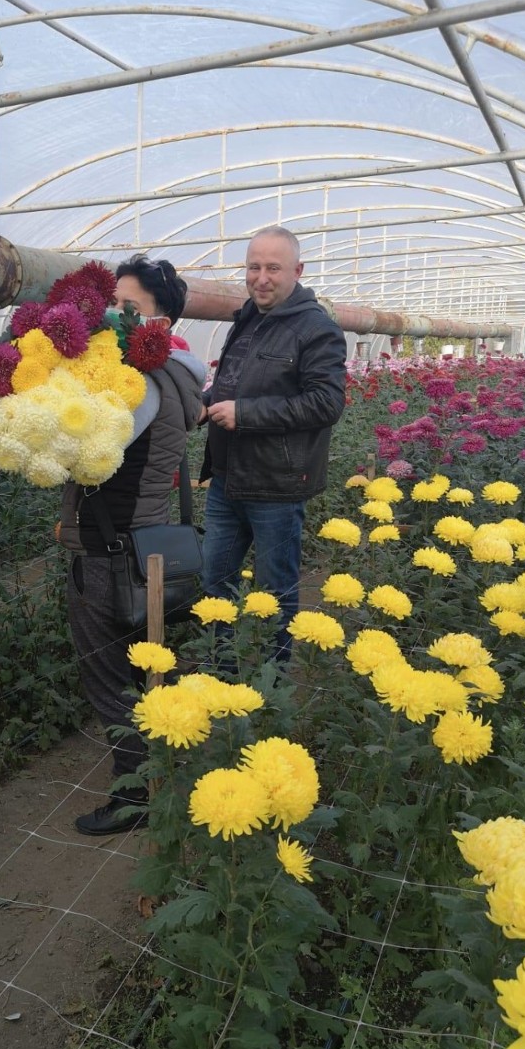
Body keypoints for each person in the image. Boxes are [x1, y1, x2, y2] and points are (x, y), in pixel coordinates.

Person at [58, 256, 206, 836]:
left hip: (109, 550)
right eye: (109, 305)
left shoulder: (138, 384)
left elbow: (90, 449)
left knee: (107, 673)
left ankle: (132, 797)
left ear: (161, 321)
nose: (112, 318)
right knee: (142, 668)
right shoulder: (177, 376)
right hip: (145, 544)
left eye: (129, 308)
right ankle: (158, 773)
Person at [199, 226, 347, 658]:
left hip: (277, 487)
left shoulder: (316, 329)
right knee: (215, 583)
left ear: (297, 271)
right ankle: (224, 670)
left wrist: (245, 415)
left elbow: (326, 403)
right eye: (253, 266)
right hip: (226, 482)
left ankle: (270, 685)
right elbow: (232, 385)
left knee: (275, 591)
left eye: (273, 268)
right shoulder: (247, 320)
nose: (261, 277)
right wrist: (202, 405)